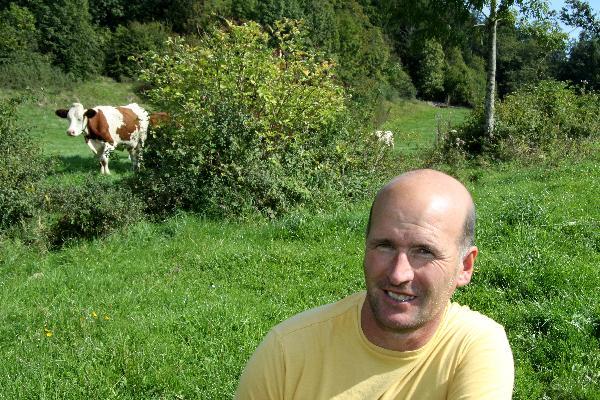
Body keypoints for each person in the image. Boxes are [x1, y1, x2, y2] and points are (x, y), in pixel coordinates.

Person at [235, 169, 514, 399]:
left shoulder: (474, 348)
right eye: (385, 246)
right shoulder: (288, 351)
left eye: (424, 252)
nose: (398, 274)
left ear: (464, 267)